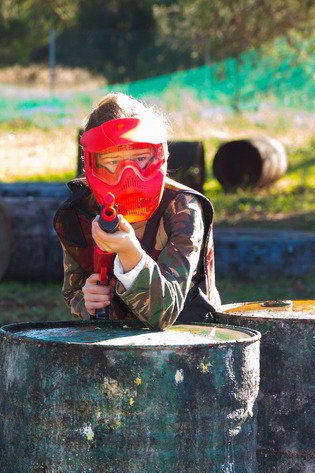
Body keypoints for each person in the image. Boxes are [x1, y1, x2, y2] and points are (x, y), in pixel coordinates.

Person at [56, 93, 220, 329]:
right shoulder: (77, 215)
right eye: (112, 162)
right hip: (112, 344)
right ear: (92, 164)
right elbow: (73, 292)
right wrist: (88, 301)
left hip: (191, 342)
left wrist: (130, 253)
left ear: (159, 156)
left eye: (140, 158)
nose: (129, 175)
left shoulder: (182, 208)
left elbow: (164, 313)